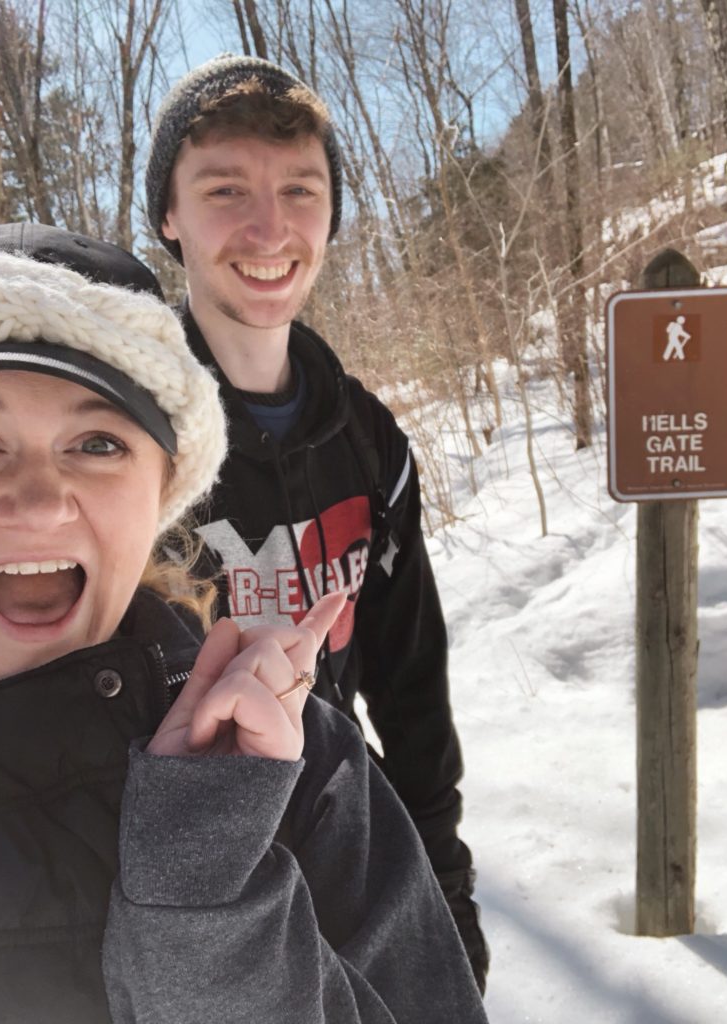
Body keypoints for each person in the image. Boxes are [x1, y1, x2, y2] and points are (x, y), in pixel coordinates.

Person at [0, 225, 488, 1024]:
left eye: (98, 442)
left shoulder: (292, 763)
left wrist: (207, 894)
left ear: (164, 490)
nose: (38, 501)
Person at [144, 52, 490, 991]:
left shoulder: (371, 440)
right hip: (183, 901)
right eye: (224, 189)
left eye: (301, 188)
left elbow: (411, 684)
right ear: (168, 217)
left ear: (332, 213)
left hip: (355, 871)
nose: (269, 226)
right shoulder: (122, 437)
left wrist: (443, 886)